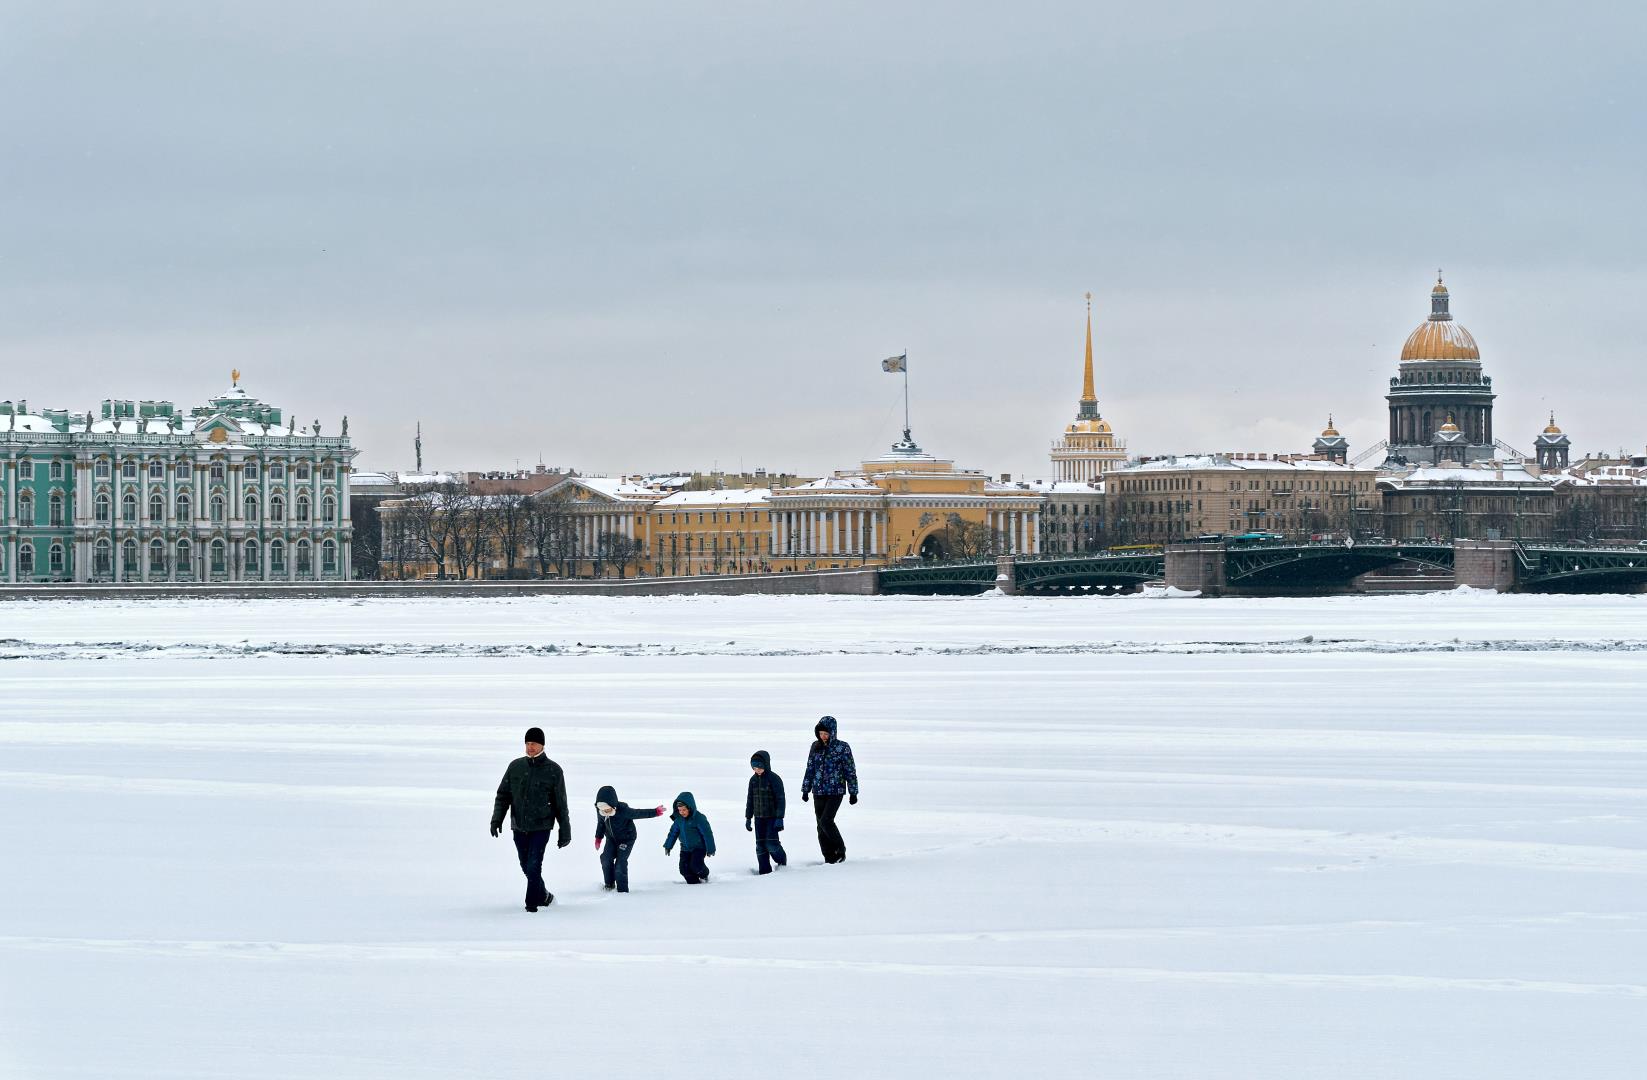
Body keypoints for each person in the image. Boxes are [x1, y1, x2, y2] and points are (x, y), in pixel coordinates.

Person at [490, 727, 571, 911]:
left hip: (541, 826)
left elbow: (561, 804)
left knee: (534, 866)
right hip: (519, 826)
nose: (530, 747)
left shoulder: (554, 770)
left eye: (533, 743)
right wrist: (497, 819)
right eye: (527, 743)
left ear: (542, 744)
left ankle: (531, 906)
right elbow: (503, 796)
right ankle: (544, 896)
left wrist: (564, 831)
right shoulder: (515, 766)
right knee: (526, 866)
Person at [800, 715, 858, 864]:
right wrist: (805, 789)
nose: (823, 736)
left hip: (835, 791)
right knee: (820, 825)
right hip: (818, 791)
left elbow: (849, 770)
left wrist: (853, 792)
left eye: (826, 734)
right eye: (820, 733)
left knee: (826, 821)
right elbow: (810, 768)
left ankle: (840, 849)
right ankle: (829, 857)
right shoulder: (815, 746)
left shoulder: (842, 747)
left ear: (833, 732)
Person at [594, 785, 667, 893]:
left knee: (620, 863)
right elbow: (601, 824)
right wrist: (598, 837)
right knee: (605, 858)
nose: (606, 812)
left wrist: (655, 812)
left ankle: (622, 891)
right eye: (603, 810)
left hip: (626, 839)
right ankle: (609, 885)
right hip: (611, 839)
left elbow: (639, 813)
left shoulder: (623, 810)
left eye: (608, 809)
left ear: (613, 805)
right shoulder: (601, 810)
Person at [744, 750, 787, 874]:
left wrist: (780, 817)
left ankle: (782, 861)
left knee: (771, 844)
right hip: (758, 818)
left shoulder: (774, 779)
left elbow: (780, 799)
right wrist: (748, 817)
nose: (757, 770)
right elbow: (750, 800)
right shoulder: (752, 780)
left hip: (772, 818)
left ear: (766, 765)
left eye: (759, 767)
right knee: (760, 846)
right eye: (754, 767)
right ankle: (764, 871)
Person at [662, 792, 716, 884]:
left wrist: (710, 849)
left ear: (690, 808)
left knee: (696, 866)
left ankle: (705, 875)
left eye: (684, 810)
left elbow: (707, 834)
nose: (681, 812)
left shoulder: (699, 818)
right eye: (679, 810)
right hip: (685, 848)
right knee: (684, 869)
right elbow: (673, 833)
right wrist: (668, 846)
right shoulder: (678, 819)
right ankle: (694, 884)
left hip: (699, 847)